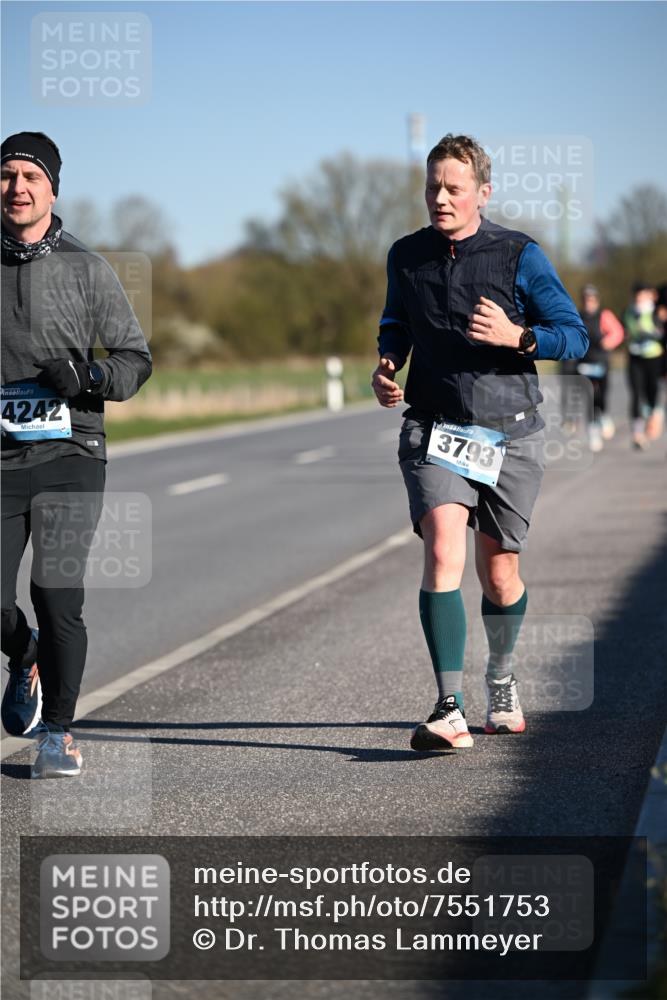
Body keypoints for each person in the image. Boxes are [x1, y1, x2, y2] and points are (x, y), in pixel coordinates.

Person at [372, 133, 588, 751]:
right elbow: (396, 320)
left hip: (509, 432)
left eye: (453, 188)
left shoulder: (519, 254)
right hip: (434, 426)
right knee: (443, 548)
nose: (440, 198)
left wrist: (519, 337)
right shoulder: (406, 255)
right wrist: (388, 361)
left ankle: (501, 677)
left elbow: (573, 336)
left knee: (499, 573)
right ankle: (449, 706)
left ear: (482, 193)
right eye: (432, 187)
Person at [1, 131, 152, 777]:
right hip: (1, 459)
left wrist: (87, 377)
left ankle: (58, 733)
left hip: (70, 452)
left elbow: (135, 360)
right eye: (6, 175)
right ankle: (24, 654)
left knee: (56, 593)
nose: (17, 188)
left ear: (53, 189)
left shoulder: (87, 269)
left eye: (30, 176)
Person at [576, 284, 624, 451]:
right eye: (586, 299)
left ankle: (604, 415)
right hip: (583, 363)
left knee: (602, 395)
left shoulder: (604, 315)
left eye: (591, 299)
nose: (588, 302)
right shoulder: (577, 316)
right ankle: (593, 432)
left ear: (596, 300)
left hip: (601, 362)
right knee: (589, 398)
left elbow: (618, 332)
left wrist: (608, 342)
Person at [623, 282, 665, 450]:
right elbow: (623, 330)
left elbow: (661, 332)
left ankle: (654, 413)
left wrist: (651, 332)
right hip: (635, 357)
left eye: (642, 294)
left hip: (653, 356)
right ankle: (637, 434)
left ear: (649, 295)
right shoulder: (629, 312)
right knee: (635, 392)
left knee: (651, 391)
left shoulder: (656, 312)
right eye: (637, 294)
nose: (639, 298)